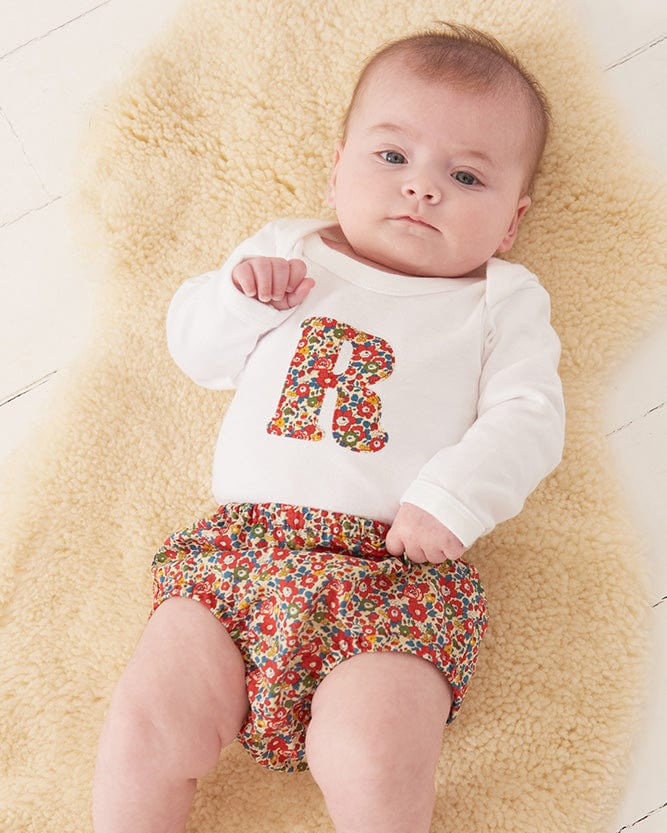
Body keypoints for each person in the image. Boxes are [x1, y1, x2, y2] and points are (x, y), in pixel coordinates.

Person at [93, 22, 565, 833]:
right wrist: (239, 300)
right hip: (241, 554)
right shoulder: (289, 252)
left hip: (392, 574)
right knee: (149, 719)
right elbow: (197, 352)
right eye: (392, 157)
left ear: (510, 223)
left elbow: (529, 416)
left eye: (464, 175)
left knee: (375, 754)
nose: (422, 188)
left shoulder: (499, 299)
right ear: (334, 168)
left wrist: (454, 497)